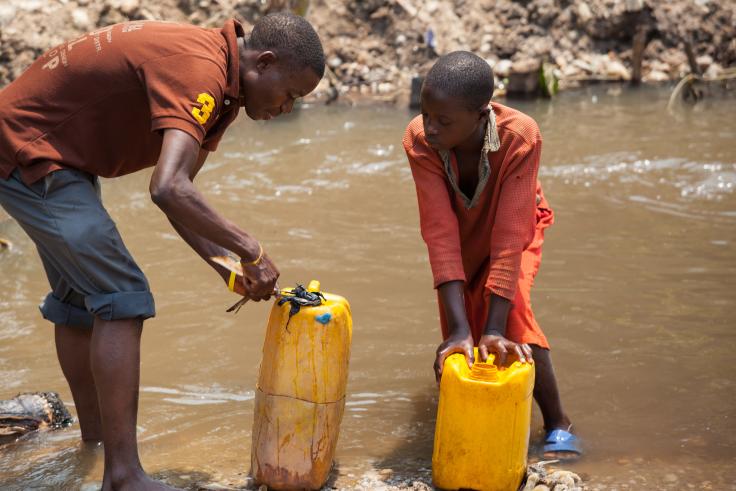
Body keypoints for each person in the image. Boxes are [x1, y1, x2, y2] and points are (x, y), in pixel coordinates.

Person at [0, 13, 324, 490]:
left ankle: (95, 448)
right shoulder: (202, 73)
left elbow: (181, 194)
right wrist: (251, 248)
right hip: (30, 149)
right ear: (266, 62)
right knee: (123, 297)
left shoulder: (225, 86)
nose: (286, 109)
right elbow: (167, 188)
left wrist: (228, 266)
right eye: (291, 95)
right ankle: (124, 476)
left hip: (53, 151)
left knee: (79, 301)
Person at [402, 51, 581, 458]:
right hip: (461, 231)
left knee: (511, 314)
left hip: (516, 227)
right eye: (425, 113)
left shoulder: (521, 135)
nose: (429, 127)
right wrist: (459, 331)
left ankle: (557, 422)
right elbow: (439, 231)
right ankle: (473, 418)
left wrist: (495, 328)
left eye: (443, 121)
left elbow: (509, 235)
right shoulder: (418, 139)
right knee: (458, 327)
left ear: (482, 115)